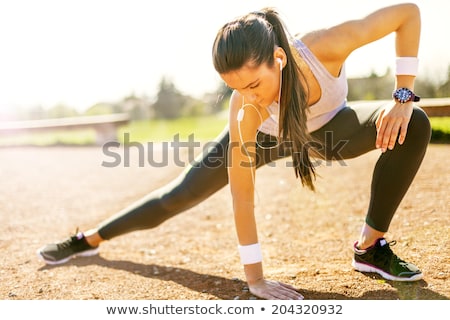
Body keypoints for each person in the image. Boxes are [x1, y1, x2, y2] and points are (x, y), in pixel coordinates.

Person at [37, 3, 431, 300]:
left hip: (330, 128)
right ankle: (88, 239)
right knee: (178, 195)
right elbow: (243, 198)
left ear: (279, 58)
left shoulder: (323, 47)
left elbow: (407, 14)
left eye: (254, 85)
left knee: (414, 123)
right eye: (235, 89)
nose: (247, 97)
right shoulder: (245, 112)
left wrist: (403, 96)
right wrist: (255, 278)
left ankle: (369, 248)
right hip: (262, 140)